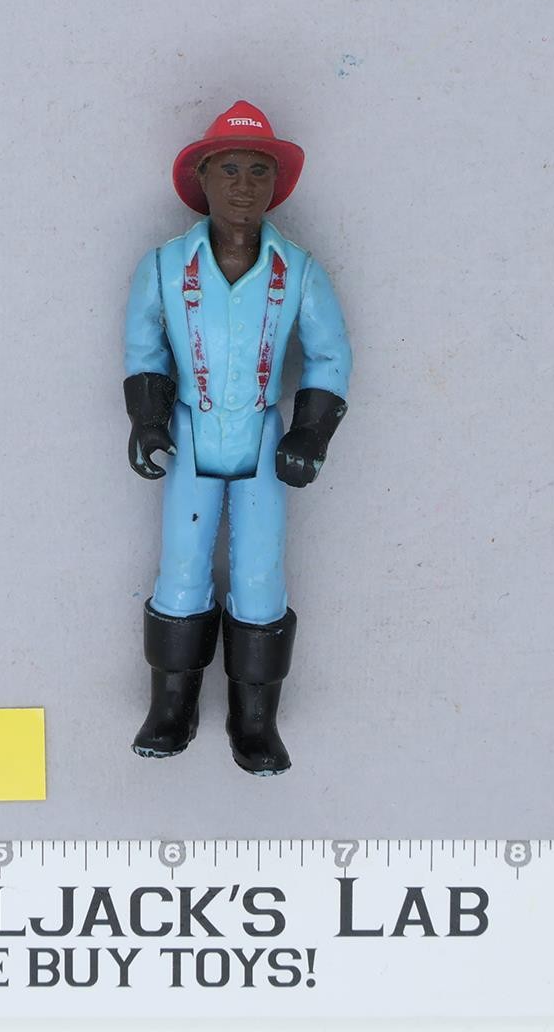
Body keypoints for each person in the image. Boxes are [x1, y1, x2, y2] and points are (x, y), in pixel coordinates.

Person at [123, 101, 352, 775]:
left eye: (259, 171)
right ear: (202, 177)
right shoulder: (165, 267)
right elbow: (144, 347)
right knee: (181, 565)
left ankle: (254, 721)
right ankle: (172, 707)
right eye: (229, 170)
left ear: (276, 183)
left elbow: (329, 353)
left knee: (259, 572)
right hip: (190, 436)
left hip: (259, 436)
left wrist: (311, 431)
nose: (244, 186)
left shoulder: (298, 271)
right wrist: (147, 419)